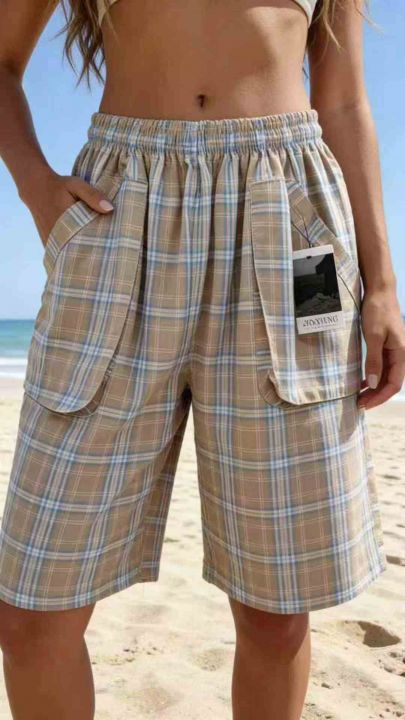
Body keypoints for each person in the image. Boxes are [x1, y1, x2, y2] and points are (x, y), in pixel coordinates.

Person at [0, 1, 404, 718]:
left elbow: (343, 102)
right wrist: (36, 186)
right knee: (32, 608)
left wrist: (381, 285)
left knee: (277, 611)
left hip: (291, 220)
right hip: (119, 212)